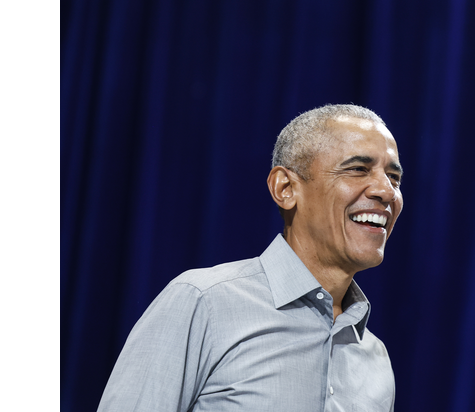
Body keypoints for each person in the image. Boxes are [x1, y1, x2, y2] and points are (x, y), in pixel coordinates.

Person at [97, 104, 404, 412]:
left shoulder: (375, 358)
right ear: (285, 188)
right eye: (358, 169)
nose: (387, 191)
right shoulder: (204, 301)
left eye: (394, 177)